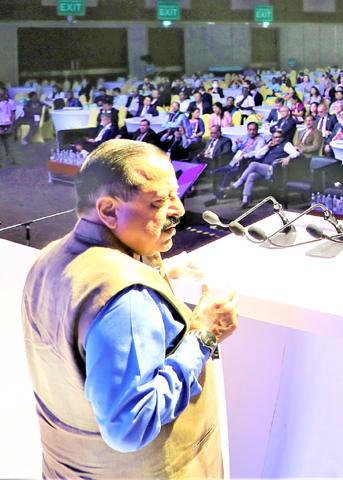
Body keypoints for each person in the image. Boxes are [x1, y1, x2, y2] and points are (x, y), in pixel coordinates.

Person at [22, 140, 237, 478]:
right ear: (108, 210)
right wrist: (204, 335)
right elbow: (129, 428)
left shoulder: (49, 257)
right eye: (159, 202)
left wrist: (159, 268)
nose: (178, 209)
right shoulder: (129, 299)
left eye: (176, 194)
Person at [221, 130, 301, 209]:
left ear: (282, 138)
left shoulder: (286, 145)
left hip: (276, 170)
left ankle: (237, 184)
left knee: (254, 164)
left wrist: (288, 157)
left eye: (279, 137)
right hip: (265, 169)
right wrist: (267, 147)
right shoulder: (270, 145)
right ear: (272, 138)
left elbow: (296, 153)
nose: (277, 139)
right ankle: (245, 201)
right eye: (275, 137)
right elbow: (258, 155)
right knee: (251, 176)